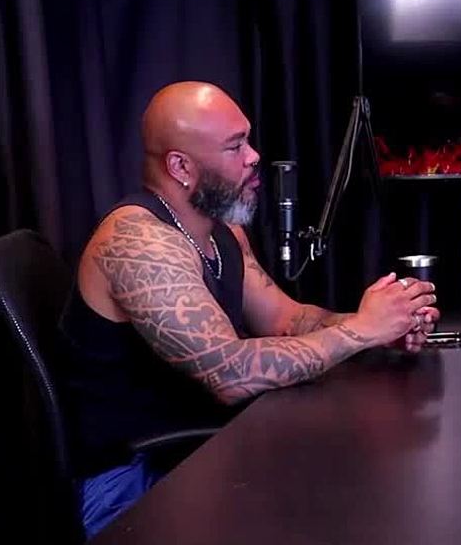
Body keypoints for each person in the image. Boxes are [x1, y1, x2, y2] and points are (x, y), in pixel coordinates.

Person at [57, 81, 440, 538]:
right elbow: (230, 374)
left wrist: (382, 326)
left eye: (248, 140)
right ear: (181, 166)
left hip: (199, 451)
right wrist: (361, 331)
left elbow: (285, 320)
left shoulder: (222, 231)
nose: (254, 156)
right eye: (235, 146)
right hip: (132, 484)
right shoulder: (139, 242)